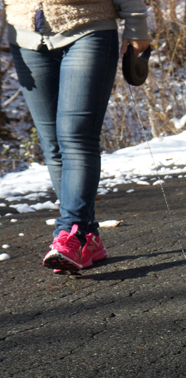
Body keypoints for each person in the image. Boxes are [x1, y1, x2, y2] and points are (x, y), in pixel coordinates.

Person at [5, 0, 151, 272]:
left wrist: (136, 24)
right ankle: (87, 238)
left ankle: (70, 234)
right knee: (53, 145)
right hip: (24, 37)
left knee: (75, 137)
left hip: (88, 27)